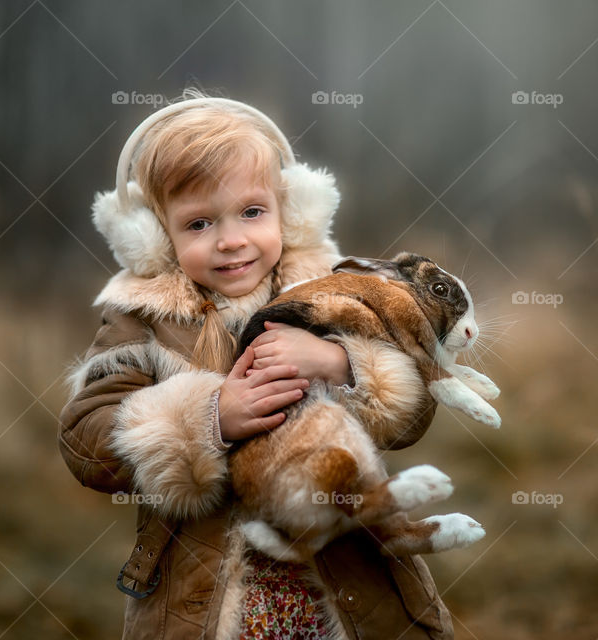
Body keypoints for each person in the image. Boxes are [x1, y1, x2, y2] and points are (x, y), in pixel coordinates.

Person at [58, 89, 452, 639]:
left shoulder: (328, 293)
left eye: (251, 212)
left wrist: (340, 363)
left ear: (289, 212)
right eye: (199, 224)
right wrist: (208, 419)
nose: (231, 241)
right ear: (155, 236)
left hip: (343, 579)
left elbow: (412, 417)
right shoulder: (140, 320)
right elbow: (84, 440)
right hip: (206, 599)